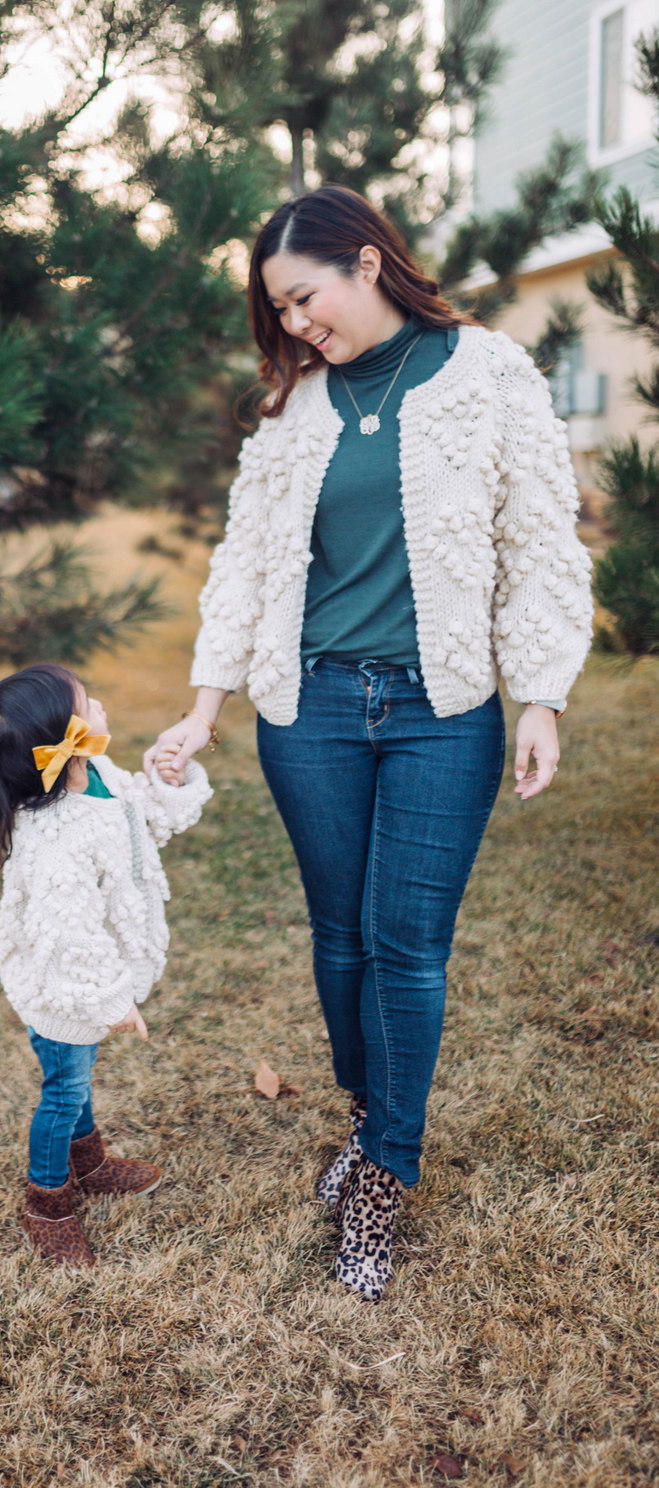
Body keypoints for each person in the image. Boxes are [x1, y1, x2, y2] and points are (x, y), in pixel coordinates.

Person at [145, 186, 593, 1301]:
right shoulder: (290, 405)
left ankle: (383, 1174)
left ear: (364, 262)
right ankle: (365, 1118)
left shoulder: (488, 373)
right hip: (313, 712)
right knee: (339, 941)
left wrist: (538, 695)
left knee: (406, 946)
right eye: (279, 311)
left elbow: (539, 537)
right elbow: (243, 563)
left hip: (442, 713)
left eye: (303, 297)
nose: (294, 324)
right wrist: (205, 705)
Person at [0, 662, 211, 1267]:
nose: (101, 702)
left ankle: (90, 1162)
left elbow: (143, 823)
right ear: (67, 734)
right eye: (88, 700)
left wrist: (166, 781)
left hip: (91, 978)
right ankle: (46, 1201)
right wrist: (110, 999)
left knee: (76, 1076)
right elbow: (68, 932)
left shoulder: (96, 773)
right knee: (63, 1089)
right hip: (63, 987)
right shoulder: (55, 837)